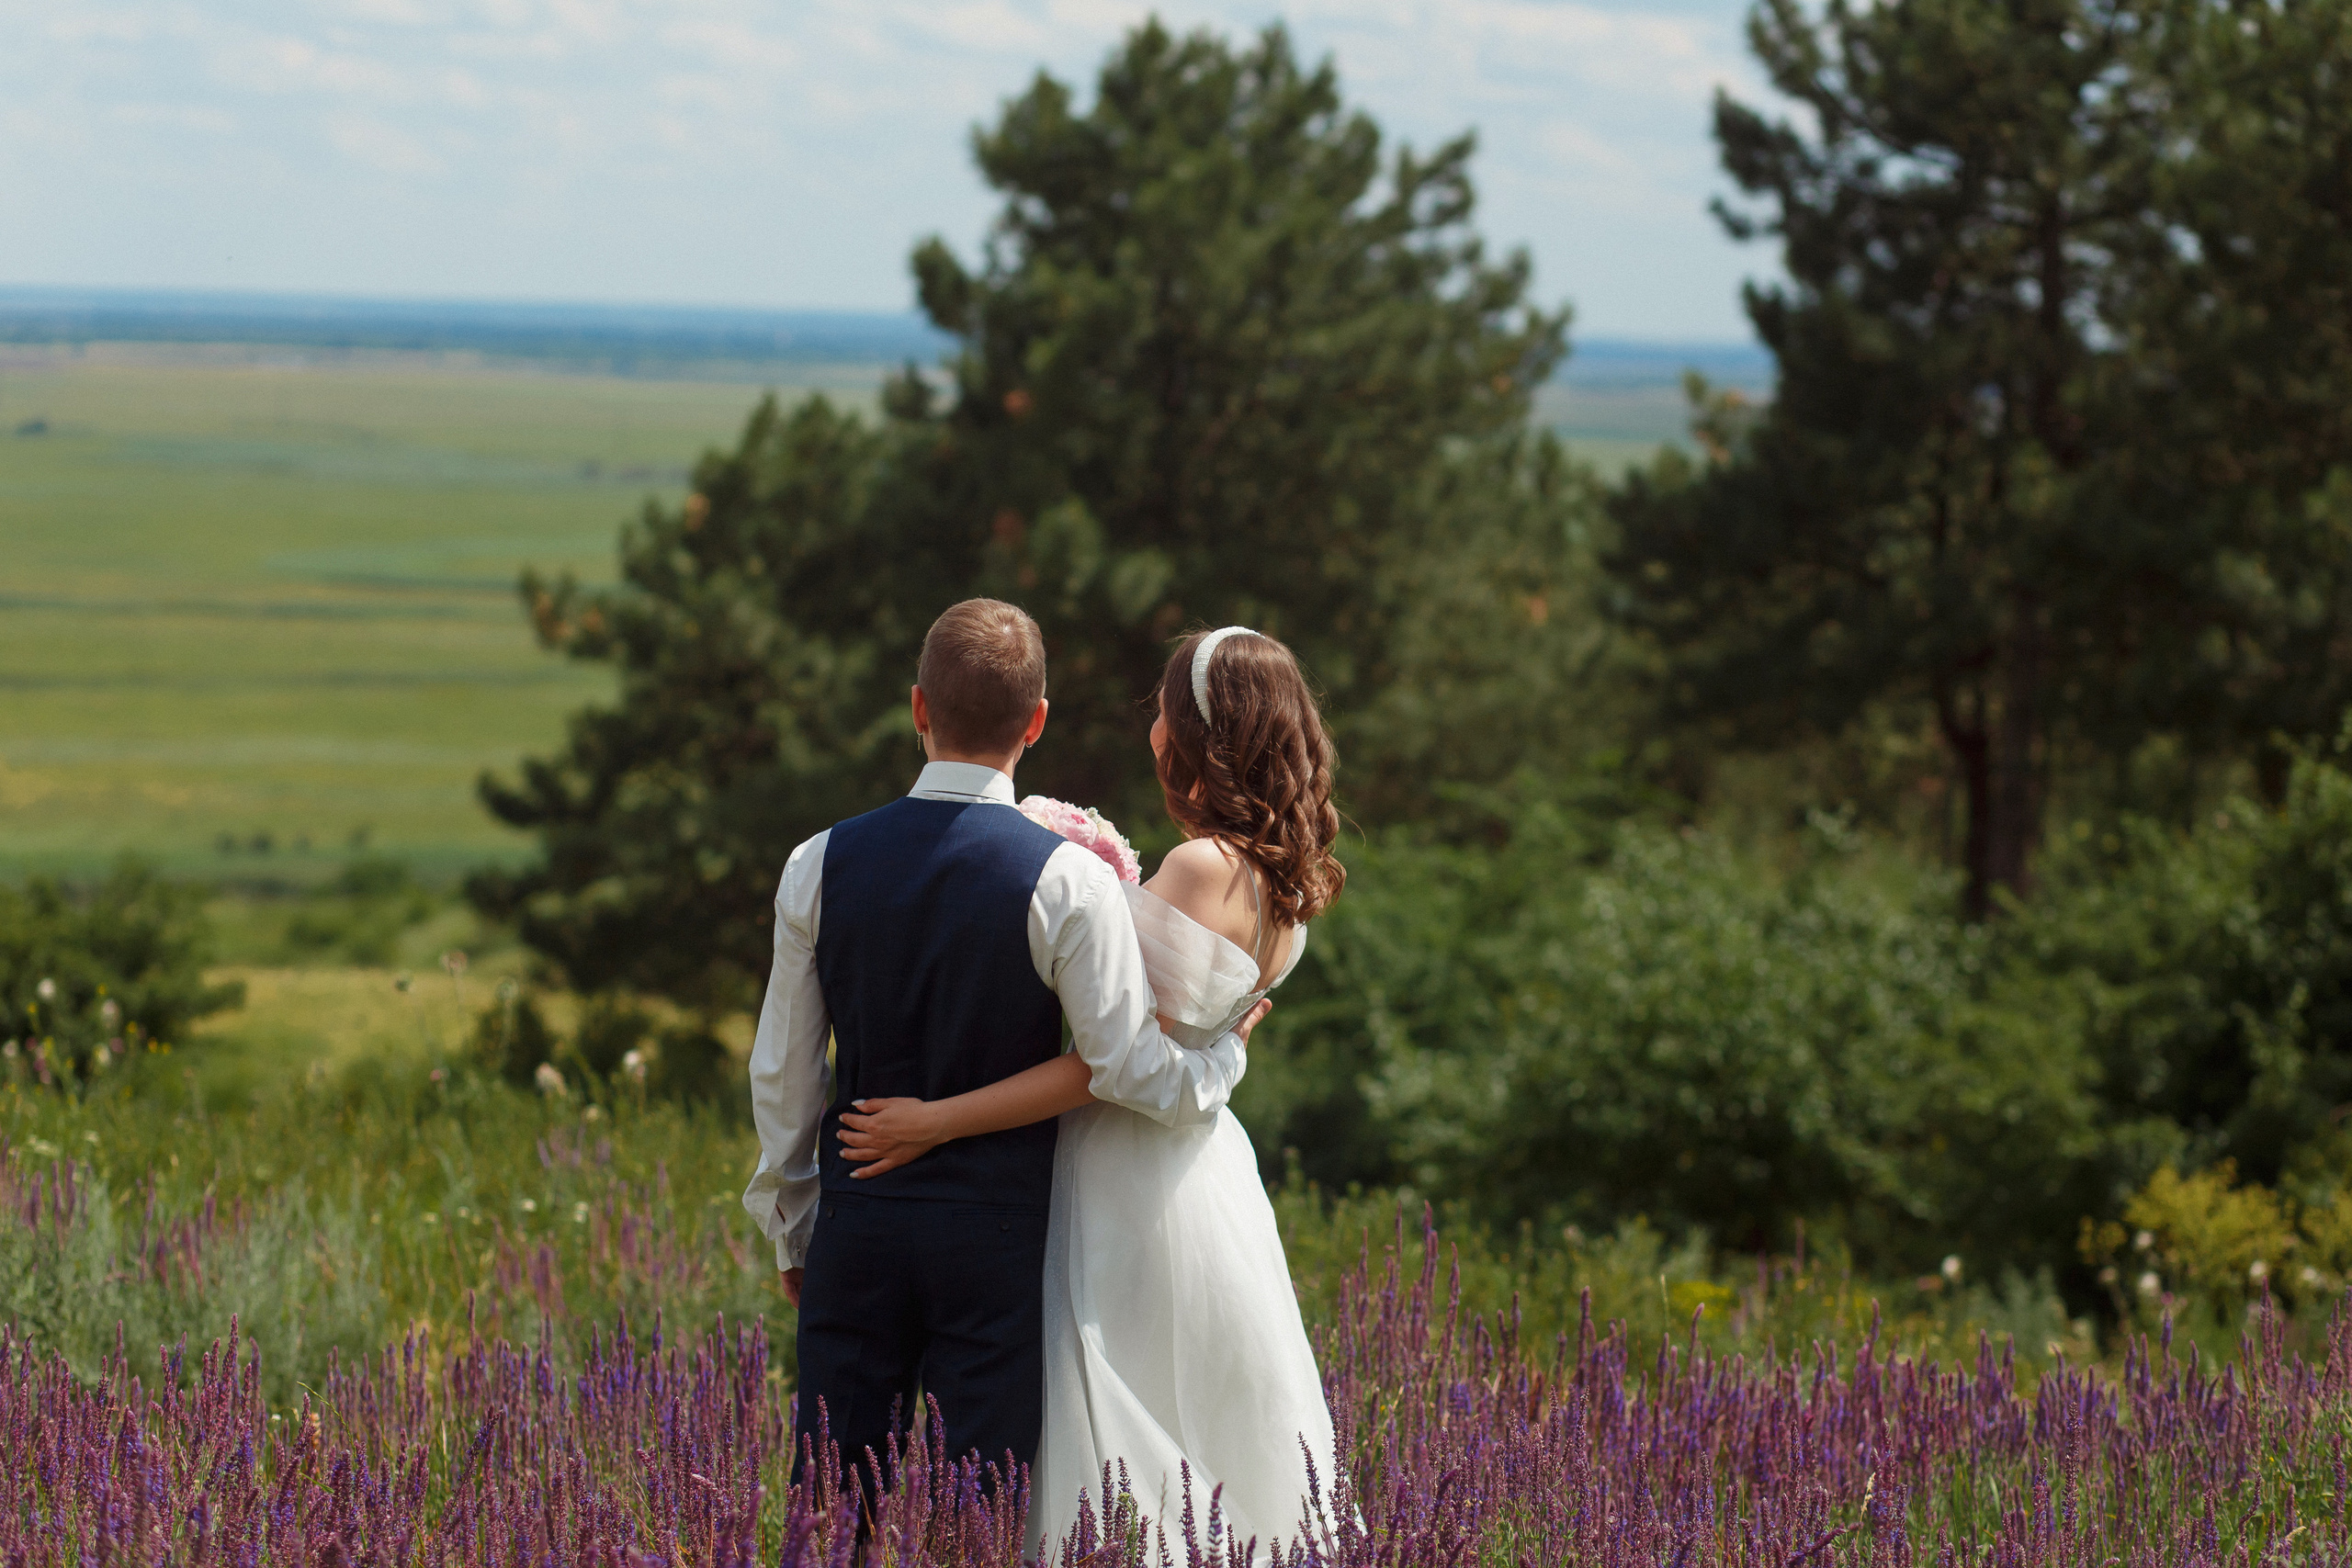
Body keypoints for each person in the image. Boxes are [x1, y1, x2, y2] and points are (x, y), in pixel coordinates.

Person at [739, 600, 1269, 1500]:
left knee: (831, 1508)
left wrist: (791, 1226)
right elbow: (1126, 1068)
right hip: (998, 1236)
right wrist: (1224, 1057)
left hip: (859, 1221)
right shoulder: (1067, 880)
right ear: (1036, 723)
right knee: (977, 1517)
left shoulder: (817, 861)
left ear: (917, 709)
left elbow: (786, 1069)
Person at [837, 626, 1346, 1558]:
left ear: (1190, 733)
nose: (1149, 725)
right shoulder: (1286, 884)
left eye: (1159, 710)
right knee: (1194, 1439)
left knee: (1111, 1433)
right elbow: (1180, 1050)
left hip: (1123, 1175)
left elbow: (1108, 1065)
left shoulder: (1199, 868)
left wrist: (933, 1123)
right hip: (1207, 1176)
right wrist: (1222, 1064)